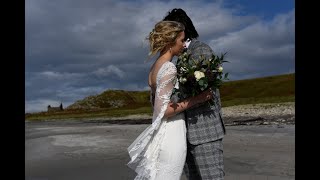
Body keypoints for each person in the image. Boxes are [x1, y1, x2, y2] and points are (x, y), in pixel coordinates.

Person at [127, 20, 215, 180]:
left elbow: (154, 103)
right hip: (171, 133)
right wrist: (198, 98)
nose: (184, 44)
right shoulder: (169, 68)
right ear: (170, 42)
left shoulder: (155, 67)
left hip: (160, 131)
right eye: (181, 40)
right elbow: (164, 110)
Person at [163, 8, 226, 180]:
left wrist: (169, 104)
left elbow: (205, 90)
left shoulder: (201, 50)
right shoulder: (178, 56)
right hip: (184, 132)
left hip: (205, 132)